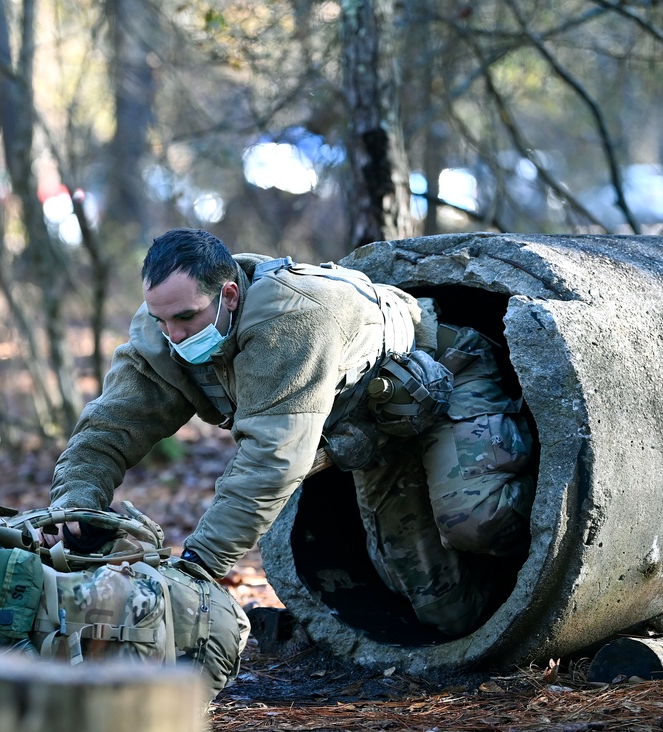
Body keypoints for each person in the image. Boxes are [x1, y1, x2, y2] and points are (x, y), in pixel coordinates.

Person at [49, 228, 534, 637]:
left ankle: (542, 479)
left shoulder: (292, 317)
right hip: (374, 428)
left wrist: (197, 569)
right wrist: (75, 503)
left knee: (476, 521)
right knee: (444, 610)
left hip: (449, 379)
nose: (172, 335)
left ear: (230, 296)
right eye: (160, 319)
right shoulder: (165, 333)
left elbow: (271, 460)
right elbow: (110, 426)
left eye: (185, 318)